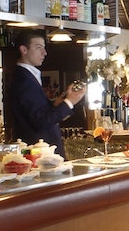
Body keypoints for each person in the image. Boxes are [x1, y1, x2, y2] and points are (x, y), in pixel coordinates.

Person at [7, 29, 85, 158]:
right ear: (24, 50)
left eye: (44, 48)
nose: (44, 52)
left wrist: (55, 105)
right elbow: (40, 122)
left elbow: (37, 113)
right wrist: (70, 101)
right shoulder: (24, 80)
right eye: (38, 48)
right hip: (39, 156)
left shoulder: (26, 76)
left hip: (40, 155)